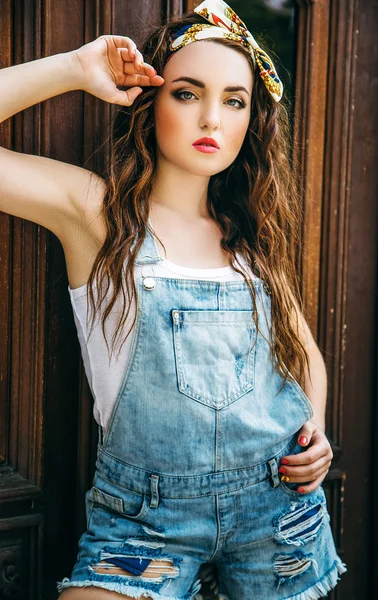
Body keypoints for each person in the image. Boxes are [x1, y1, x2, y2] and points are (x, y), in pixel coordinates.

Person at [0, 0, 348, 598]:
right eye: (187, 93)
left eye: (234, 101)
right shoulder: (97, 215)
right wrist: (76, 69)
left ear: (250, 121)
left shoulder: (250, 238)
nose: (211, 118)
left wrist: (315, 425)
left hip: (280, 514)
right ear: (151, 103)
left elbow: (304, 353)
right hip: (144, 525)